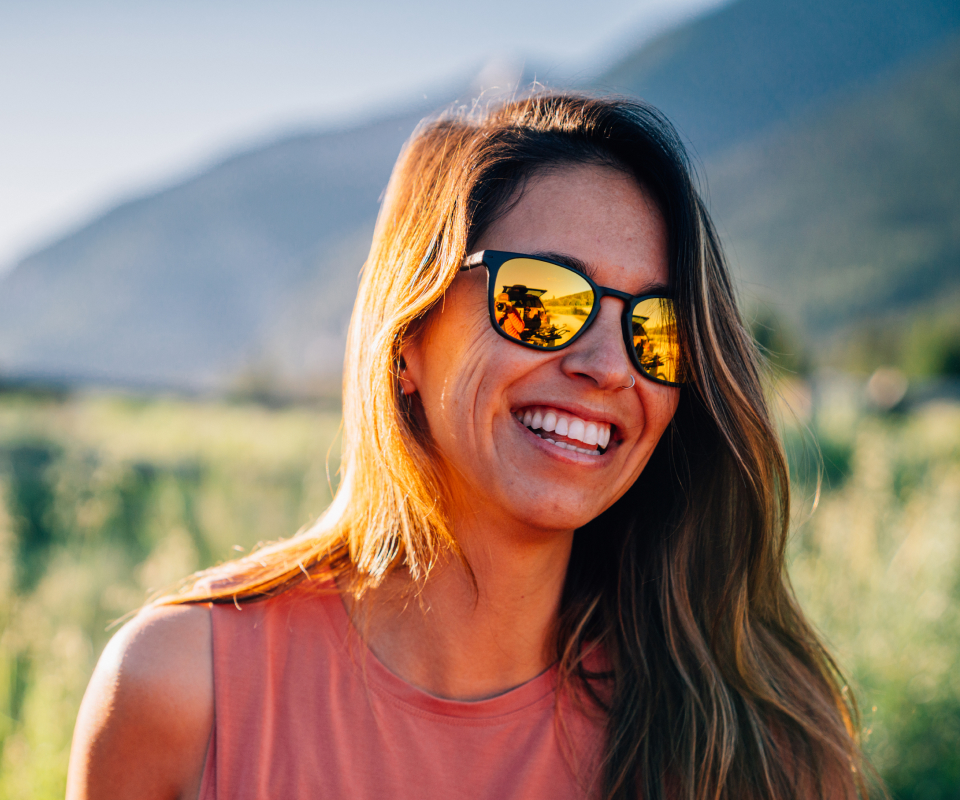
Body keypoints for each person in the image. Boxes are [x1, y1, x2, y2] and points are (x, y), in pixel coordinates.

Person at [67, 94, 870, 800]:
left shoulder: (757, 745)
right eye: (540, 299)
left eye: (653, 330)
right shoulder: (184, 687)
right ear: (410, 336)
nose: (605, 366)